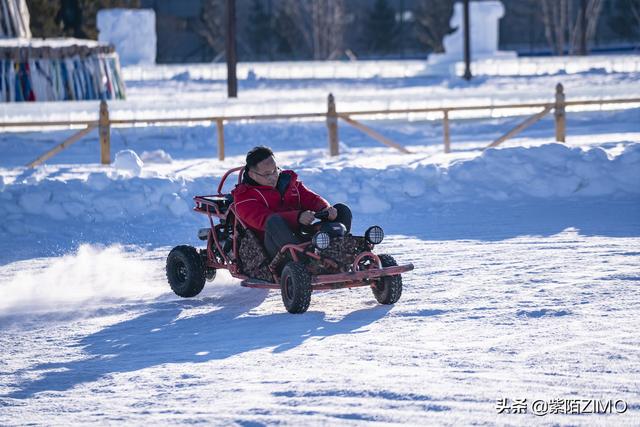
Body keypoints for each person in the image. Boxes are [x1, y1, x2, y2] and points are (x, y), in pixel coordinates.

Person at [231, 146, 352, 258]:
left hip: (301, 234)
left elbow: (311, 198)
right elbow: (264, 220)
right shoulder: (244, 197)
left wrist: (326, 209)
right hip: (272, 246)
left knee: (341, 210)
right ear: (252, 174)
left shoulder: (288, 183)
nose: (273, 177)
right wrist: (297, 217)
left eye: (275, 171)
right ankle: (304, 259)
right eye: (267, 174)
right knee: (273, 221)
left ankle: (338, 252)